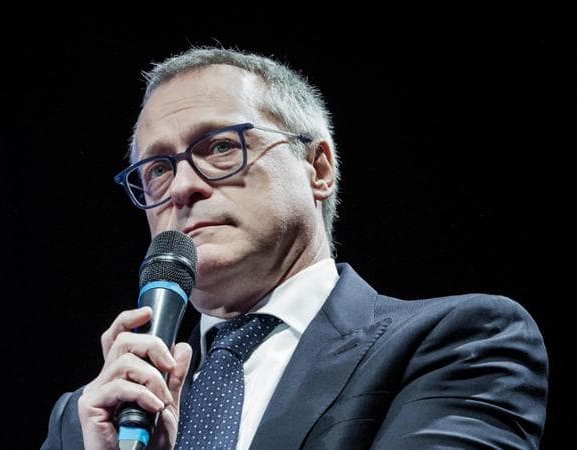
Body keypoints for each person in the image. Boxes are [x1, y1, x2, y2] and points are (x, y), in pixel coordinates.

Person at [41, 47, 548, 450]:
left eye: (221, 147)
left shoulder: (456, 344)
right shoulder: (90, 420)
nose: (182, 187)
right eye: (157, 169)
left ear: (318, 168)